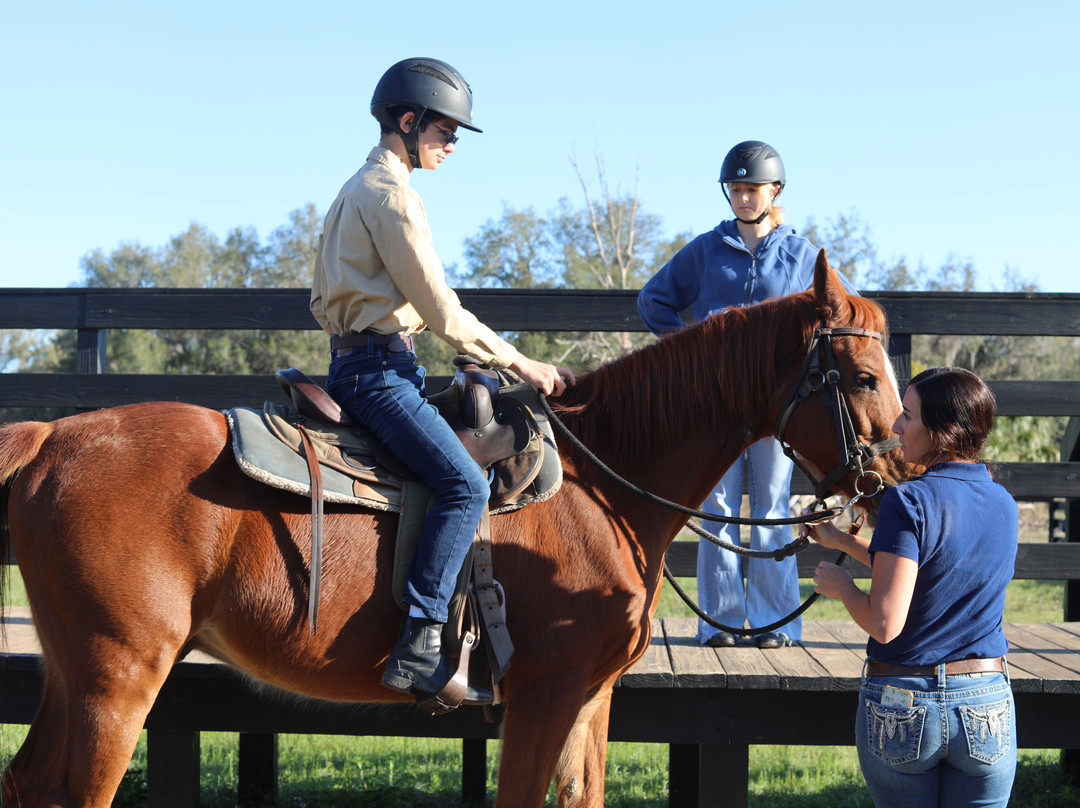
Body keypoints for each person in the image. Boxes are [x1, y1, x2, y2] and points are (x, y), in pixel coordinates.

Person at [310, 57, 575, 702]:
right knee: (462, 483)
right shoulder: (393, 196)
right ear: (408, 121)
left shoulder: (353, 188)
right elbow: (443, 310)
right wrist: (523, 364)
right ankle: (423, 633)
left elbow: (325, 302)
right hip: (379, 374)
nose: (452, 144)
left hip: (363, 361)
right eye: (445, 130)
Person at [637, 140, 856, 649]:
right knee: (715, 512)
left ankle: (776, 623)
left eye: (752, 188)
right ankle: (719, 623)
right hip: (713, 408)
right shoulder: (707, 249)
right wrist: (691, 350)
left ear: (774, 191)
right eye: (735, 188)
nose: (742, 197)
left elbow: (840, 311)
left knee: (771, 511)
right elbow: (654, 301)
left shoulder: (803, 255)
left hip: (777, 413)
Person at [806, 367, 1017, 807]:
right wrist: (843, 540)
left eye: (908, 415)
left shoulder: (909, 499)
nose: (895, 426)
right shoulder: (1003, 502)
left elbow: (884, 623)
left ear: (946, 431)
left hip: (904, 704)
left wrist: (843, 586)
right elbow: (933, 567)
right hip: (986, 702)